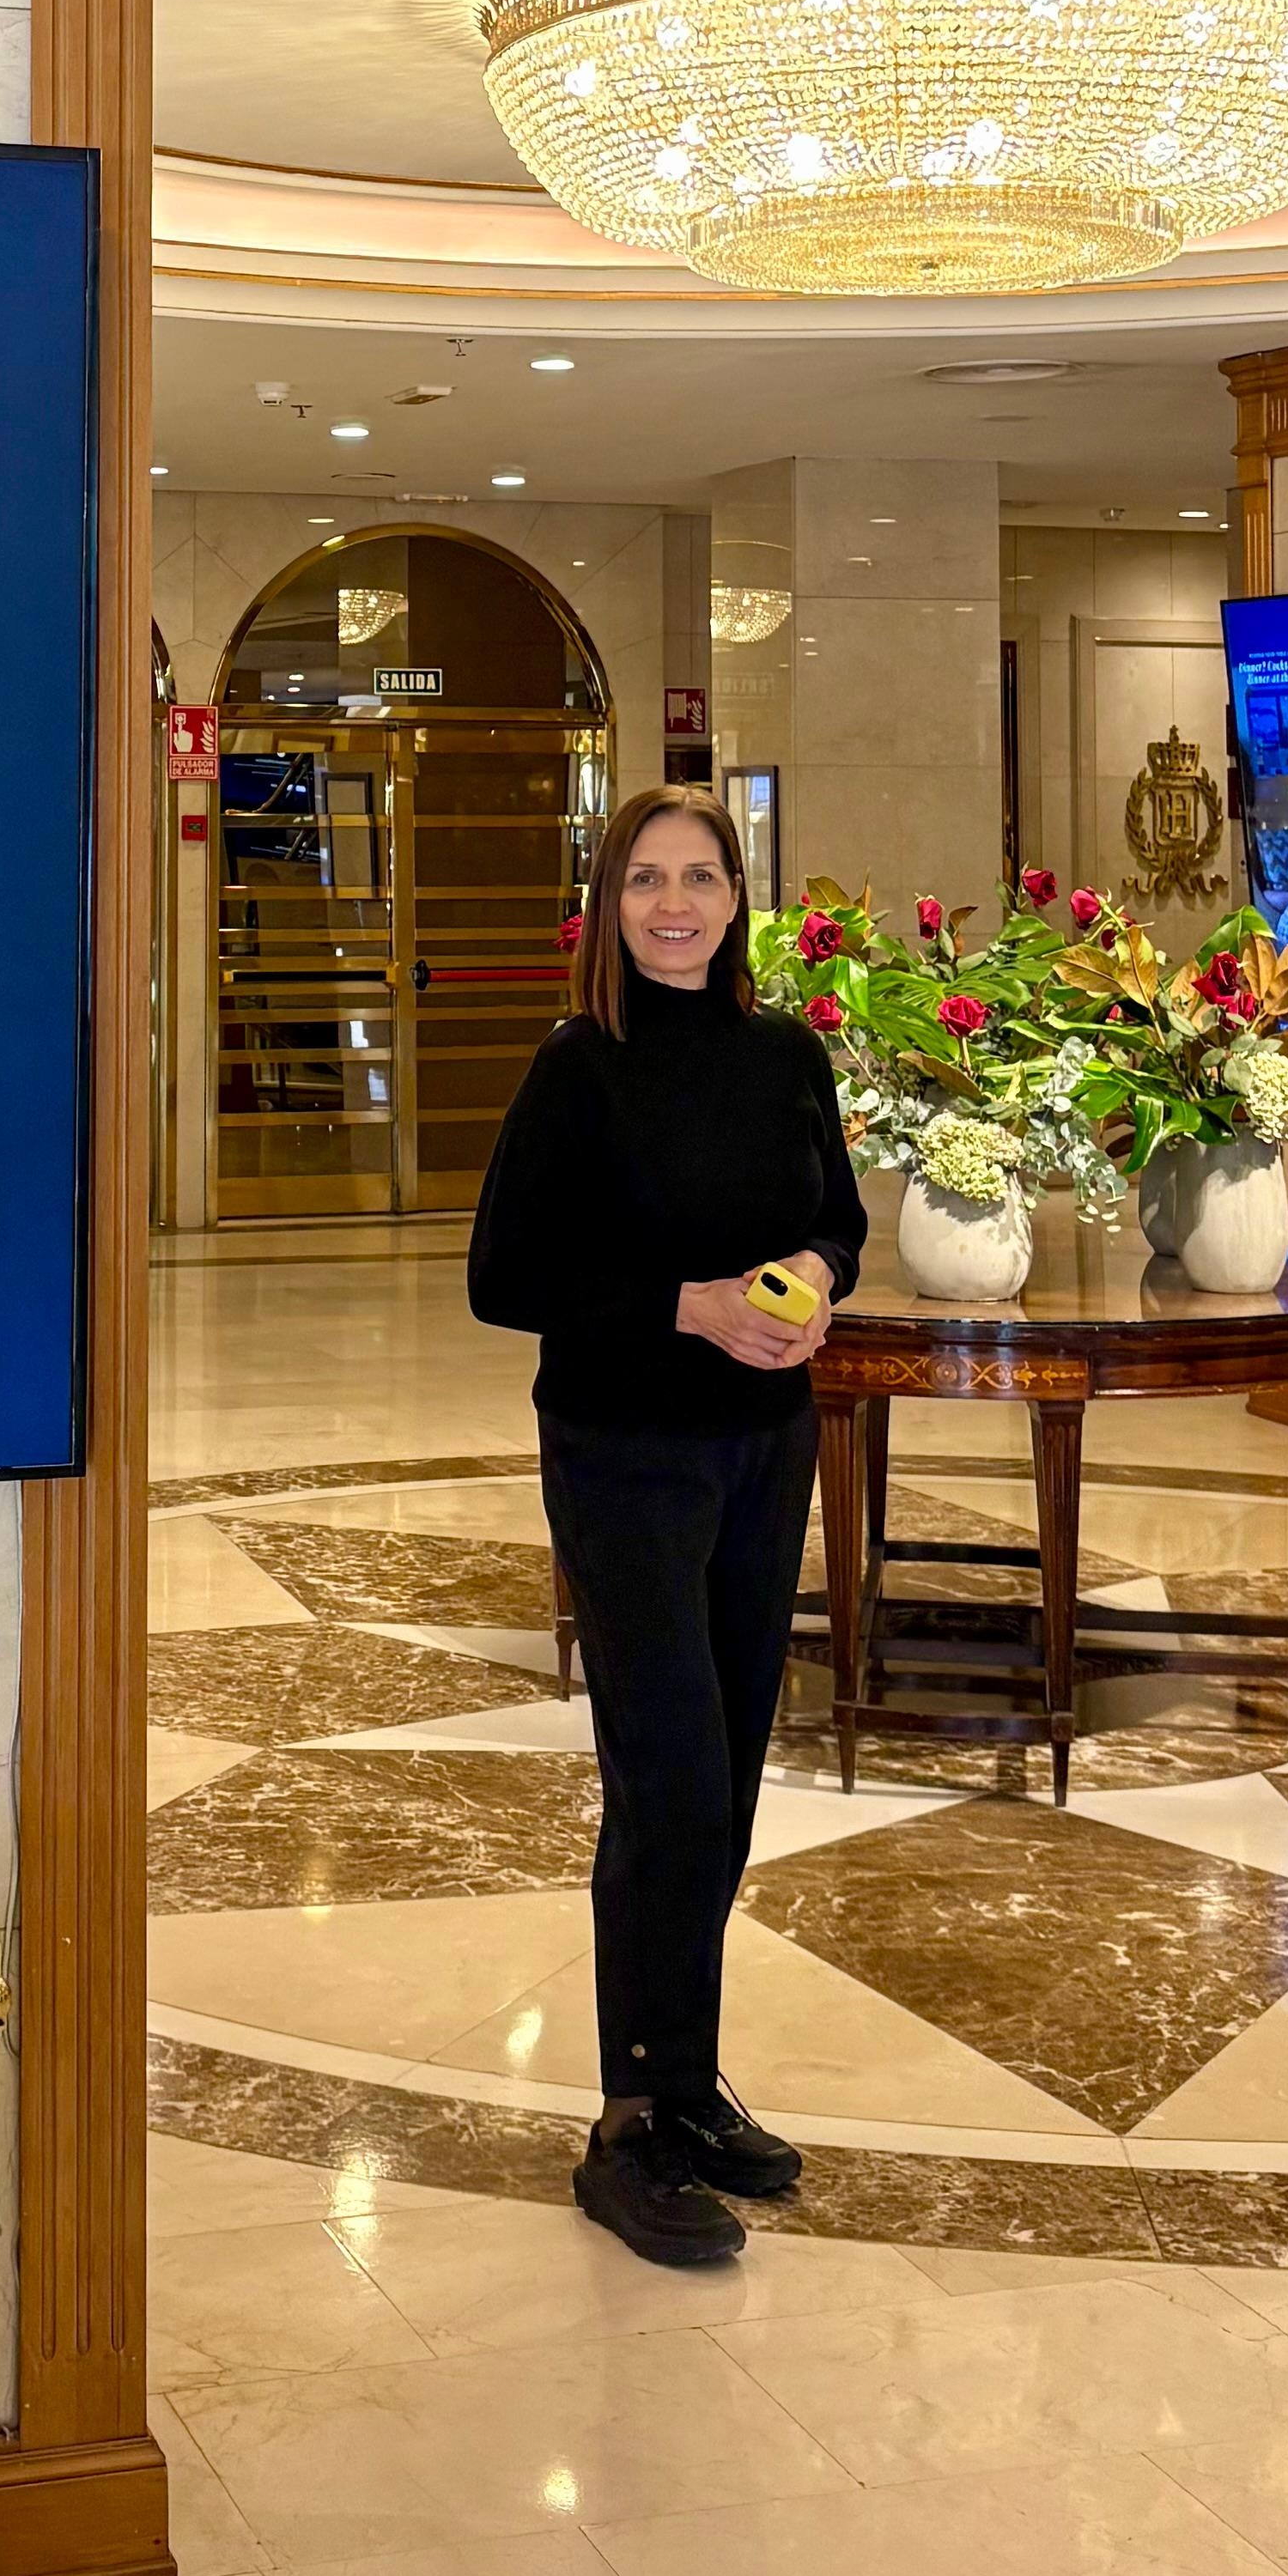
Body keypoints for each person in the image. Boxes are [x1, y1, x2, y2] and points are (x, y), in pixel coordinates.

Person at [466, 783, 860, 2265]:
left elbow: (837, 1219)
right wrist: (687, 1307)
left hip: (764, 1449)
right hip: (623, 1453)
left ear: (738, 898)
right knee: (672, 1775)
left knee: (732, 1770)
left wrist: (814, 1283)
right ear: (609, 903)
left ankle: (688, 2087)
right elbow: (504, 1277)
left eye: (701, 877)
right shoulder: (580, 1067)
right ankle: (626, 2124)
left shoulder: (785, 1055)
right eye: (646, 879)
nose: (675, 905)